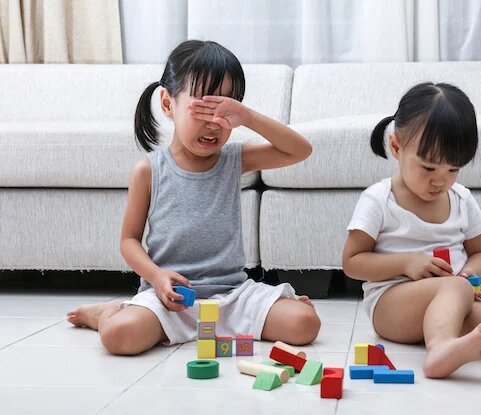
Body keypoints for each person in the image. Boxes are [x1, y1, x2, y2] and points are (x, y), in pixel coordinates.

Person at [67, 40, 320, 355]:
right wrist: (156, 276)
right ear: (167, 103)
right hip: (171, 300)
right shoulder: (149, 170)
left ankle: (251, 314)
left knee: (304, 323)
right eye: (202, 108)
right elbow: (128, 241)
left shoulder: (234, 159)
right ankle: (107, 311)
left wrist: (248, 117)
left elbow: (301, 150)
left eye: (224, 111)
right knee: (119, 335)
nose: (214, 122)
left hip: (232, 297)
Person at [342, 82, 481, 381]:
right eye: (428, 168)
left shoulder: (461, 199)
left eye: (453, 170)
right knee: (458, 291)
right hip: (391, 306)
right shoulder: (379, 200)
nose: (441, 181)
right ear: (396, 147)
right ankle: (440, 349)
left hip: (450, 303)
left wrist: (469, 276)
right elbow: (352, 262)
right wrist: (406, 263)